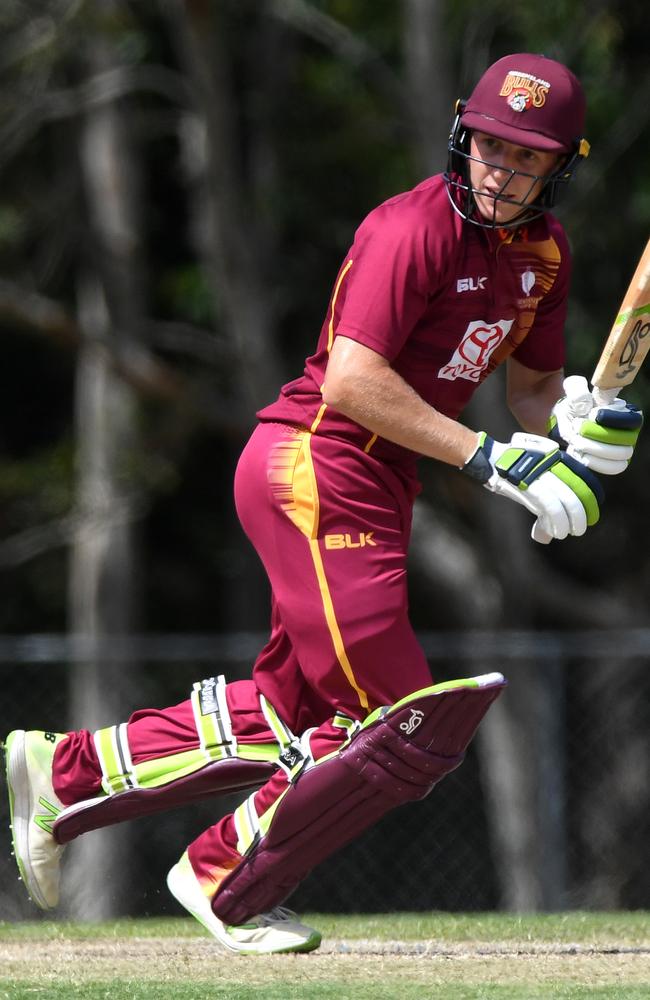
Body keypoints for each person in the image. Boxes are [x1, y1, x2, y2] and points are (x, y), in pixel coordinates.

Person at [4, 53, 642, 954]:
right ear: (464, 136)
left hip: (381, 484)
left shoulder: (543, 254)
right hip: (315, 463)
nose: (500, 170)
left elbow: (534, 387)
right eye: (490, 147)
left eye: (526, 157)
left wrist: (577, 419)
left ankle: (63, 777)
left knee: (290, 714)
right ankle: (228, 872)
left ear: (560, 167)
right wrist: (493, 459)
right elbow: (350, 379)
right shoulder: (410, 228)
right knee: (400, 722)